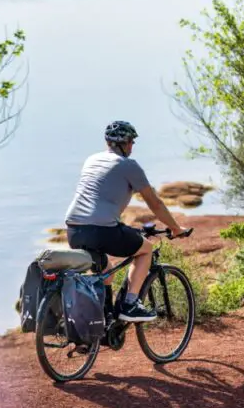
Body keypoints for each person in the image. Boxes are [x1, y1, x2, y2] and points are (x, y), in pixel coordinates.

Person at [64, 120, 191, 323]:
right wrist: (175, 228)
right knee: (145, 249)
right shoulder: (128, 165)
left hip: (73, 229)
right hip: (102, 230)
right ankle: (130, 304)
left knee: (105, 273)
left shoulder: (91, 160)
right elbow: (155, 203)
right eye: (131, 141)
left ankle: (101, 325)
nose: (132, 146)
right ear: (124, 144)